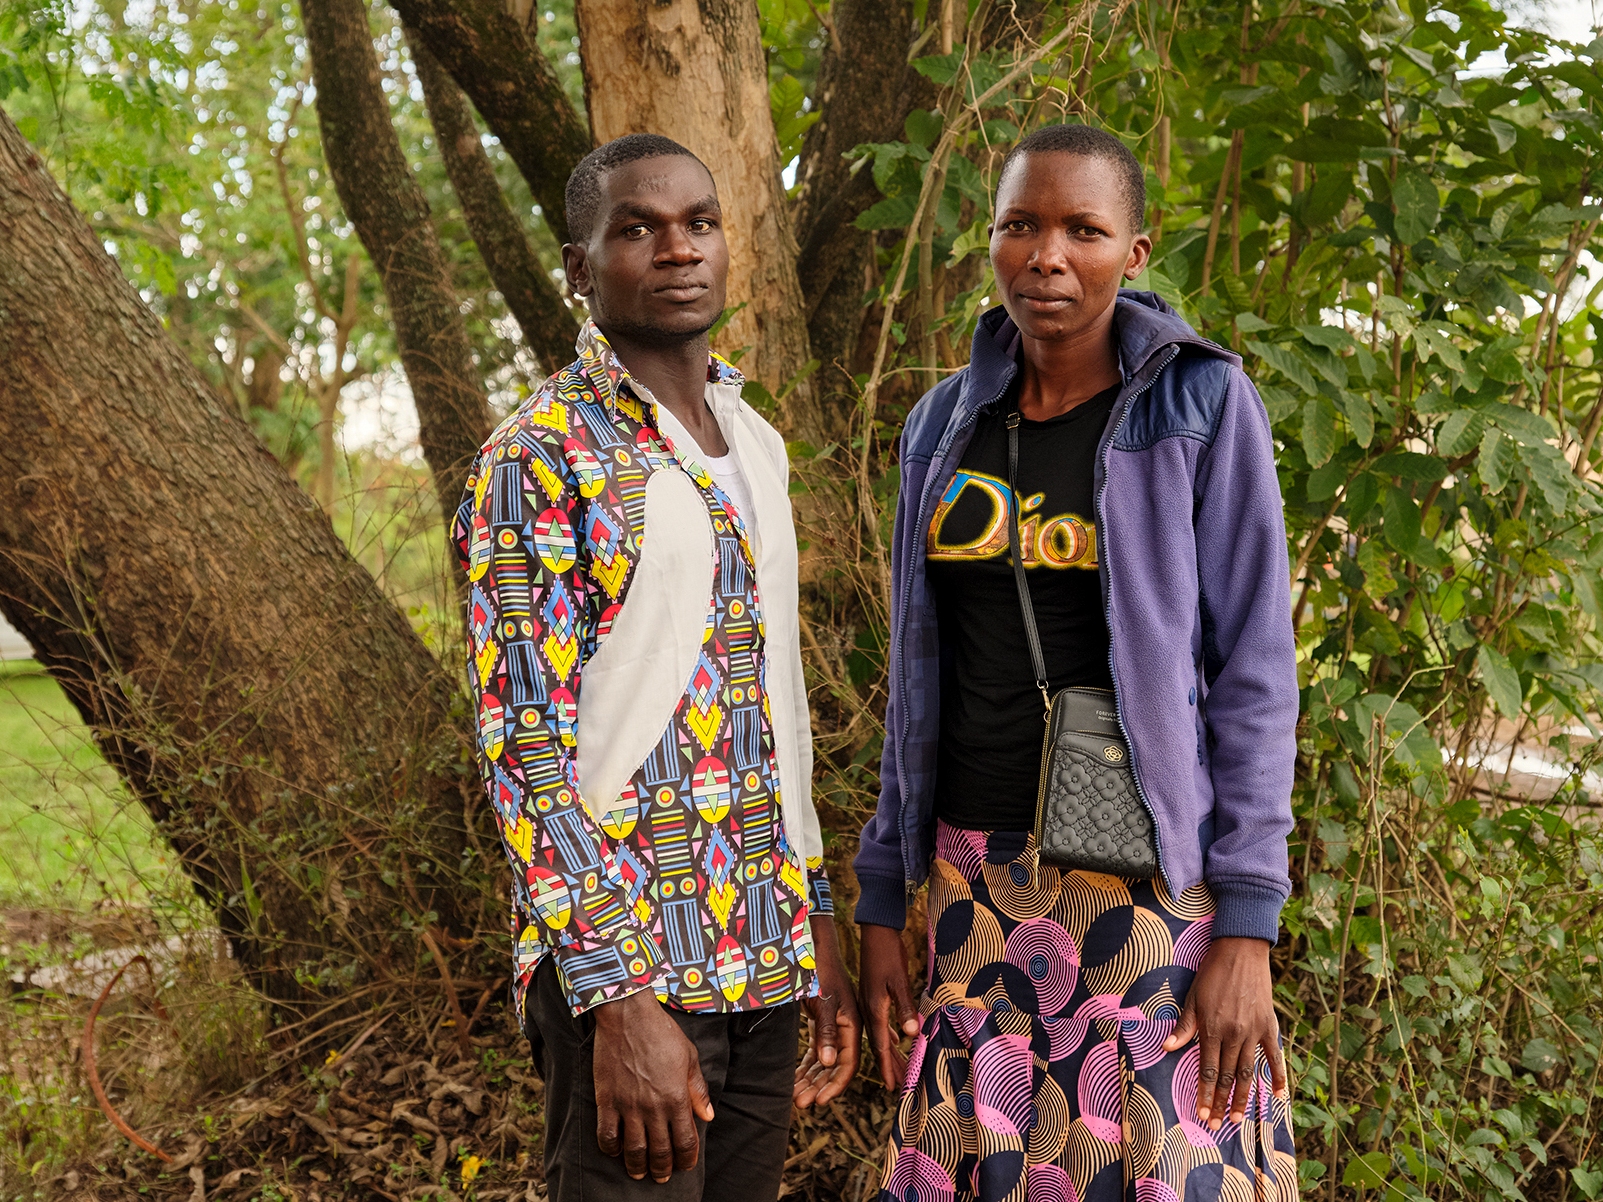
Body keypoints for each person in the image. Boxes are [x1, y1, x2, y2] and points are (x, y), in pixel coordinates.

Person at [854, 124, 1300, 1201]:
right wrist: (883, 888)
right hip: (973, 873)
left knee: (1153, 1160)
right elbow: (915, 674)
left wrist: (1246, 917)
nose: (1046, 254)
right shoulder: (939, 427)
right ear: (993, 237)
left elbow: (1253, 666)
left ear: (1133, 251)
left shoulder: (1198, 404)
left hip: (1143, 875)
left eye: (1081, 229)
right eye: (1021, 224)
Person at [454, 133, 859, 1202]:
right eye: (636, 227)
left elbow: (775, 707)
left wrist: (812, 912)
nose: (677, 249)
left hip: (762, 952)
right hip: (630, 967)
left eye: (698, 223)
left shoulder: (753, 441)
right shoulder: (537, 455)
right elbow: (521, 747)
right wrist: (616, 993)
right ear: (580, 269)